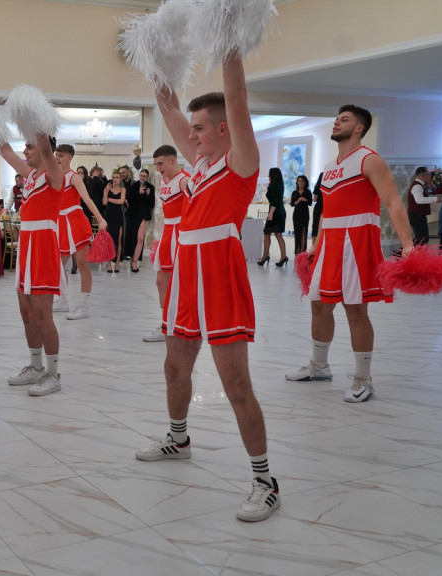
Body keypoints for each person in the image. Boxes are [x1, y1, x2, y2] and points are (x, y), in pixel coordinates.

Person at [141, 55, 280, 523]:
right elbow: (167, 107)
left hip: (221, 277)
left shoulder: (241, 164)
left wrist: (229, 47)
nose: (191, 135)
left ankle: (265, 481)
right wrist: (159, 61)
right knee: (174, 367)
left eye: (201, 128)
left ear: (223, 130)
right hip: (185, 275)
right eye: (193, 128)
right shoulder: (197, 168)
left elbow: (236, 97)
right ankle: (178, 439)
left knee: (235, 384)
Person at [287, 104, 415, 403]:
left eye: (343, 120)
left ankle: (364, 379)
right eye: (336, 119)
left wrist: (407, 244)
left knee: (355, 309)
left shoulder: (370, 160)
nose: (336, 123)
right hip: (329, 242)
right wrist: (316, 243)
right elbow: (325, 209)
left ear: (359, 127)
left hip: (356, 241)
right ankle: (319, 366)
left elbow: (394, 203)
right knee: (318, 304)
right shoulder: (330, 167)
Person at [0, 134, 66, 396]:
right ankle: (36, 367)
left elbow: (48, 152)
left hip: (43, 245)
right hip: (26, 245)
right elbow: (6, 151)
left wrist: (38, 126)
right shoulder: (31, 176)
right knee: (26, 313)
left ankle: (53, 373)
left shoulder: (54, 173)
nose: (24, 150)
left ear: (44, 147)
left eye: (29, 145)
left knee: (42, 315)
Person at [50, 144, 107, 320]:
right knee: (58, 265)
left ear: (69, 158)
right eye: (56, 155)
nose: (57, 158)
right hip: (60, 223)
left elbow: (87, 199)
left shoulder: (74, 177)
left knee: (82, 264)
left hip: (75, 221)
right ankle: (62, 300)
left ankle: (83, 305)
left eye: (60, 155)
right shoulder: (54, 177)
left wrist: (100, 219)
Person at [144, 145, 189, 343]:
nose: (158, 168)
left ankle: (175, 324)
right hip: (167, 233)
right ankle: (166, 323)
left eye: (160, 163)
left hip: (182, 234)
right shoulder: (163, 180)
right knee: (161, 281)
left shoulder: (185, 180)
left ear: (173, 160)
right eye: (155, 164)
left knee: (179, 283)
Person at [127, 168, 156, 272]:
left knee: (140, 239)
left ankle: (135, 262)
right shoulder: (134, 185)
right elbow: (129, 200)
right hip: (132, 215)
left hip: (143, 215)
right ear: (139, 176)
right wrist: (139, 193)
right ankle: (132, 258)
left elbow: (151, 204)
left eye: (145, 176)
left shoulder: (151, 187)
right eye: (141, 175)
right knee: (132, 239)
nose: (143, 177)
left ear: (147, 177)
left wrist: (148, 195)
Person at [258, 167, 288, 267]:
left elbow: (274, 201)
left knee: (267, 233)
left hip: (275, 212)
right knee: (278, 235)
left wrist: (270, 213)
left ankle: (265, 256)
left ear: (272, 174)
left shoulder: (274, 184)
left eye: (269, 173)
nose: (268, 175)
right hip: (280, 212)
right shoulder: (279, 185)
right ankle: (283, 256)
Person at [407, 166, 442, 246]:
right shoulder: (417, 186)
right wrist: (435, 199)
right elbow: (419, 200)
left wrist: (431, 185)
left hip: (417, 215)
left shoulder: (420, 185)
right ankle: (400, 254)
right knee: (423, 239)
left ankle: (399, 254)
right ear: (423, 176)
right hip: (416, 215)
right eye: (429, 175)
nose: (430, 177)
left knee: (419, 239)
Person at [102, 170, 127, 271]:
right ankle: (108, 264)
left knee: (119, 240)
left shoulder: (123, 189)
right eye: (113, 177)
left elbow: (121, 202)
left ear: (120, 179)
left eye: (117, 177)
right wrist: (105, 191)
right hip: (108, 215)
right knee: (108, 240)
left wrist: (109, 199)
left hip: (118, 216)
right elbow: (104, 203)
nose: (115, 179)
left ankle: (117, 264)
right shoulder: (107, 189)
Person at [290, 174, 313, 254]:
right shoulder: (294, 192)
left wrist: (305, 199)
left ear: (305, 182)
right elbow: (292, 204)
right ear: (297, 182)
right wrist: (297, 201)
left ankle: (303, 250)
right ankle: (297, 249)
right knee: (297, 232)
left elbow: (310, 203)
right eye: (299, 181)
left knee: (303, 231)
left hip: (304, 213)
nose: (300, 183)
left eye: (302, 181)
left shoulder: (308, 192)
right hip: (296, 214)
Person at [311, 173, 324, 238]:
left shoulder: (317, 186)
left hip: (318, 206)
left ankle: (314, 246)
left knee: (315, 227)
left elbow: (315, 199)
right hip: (326, 207)